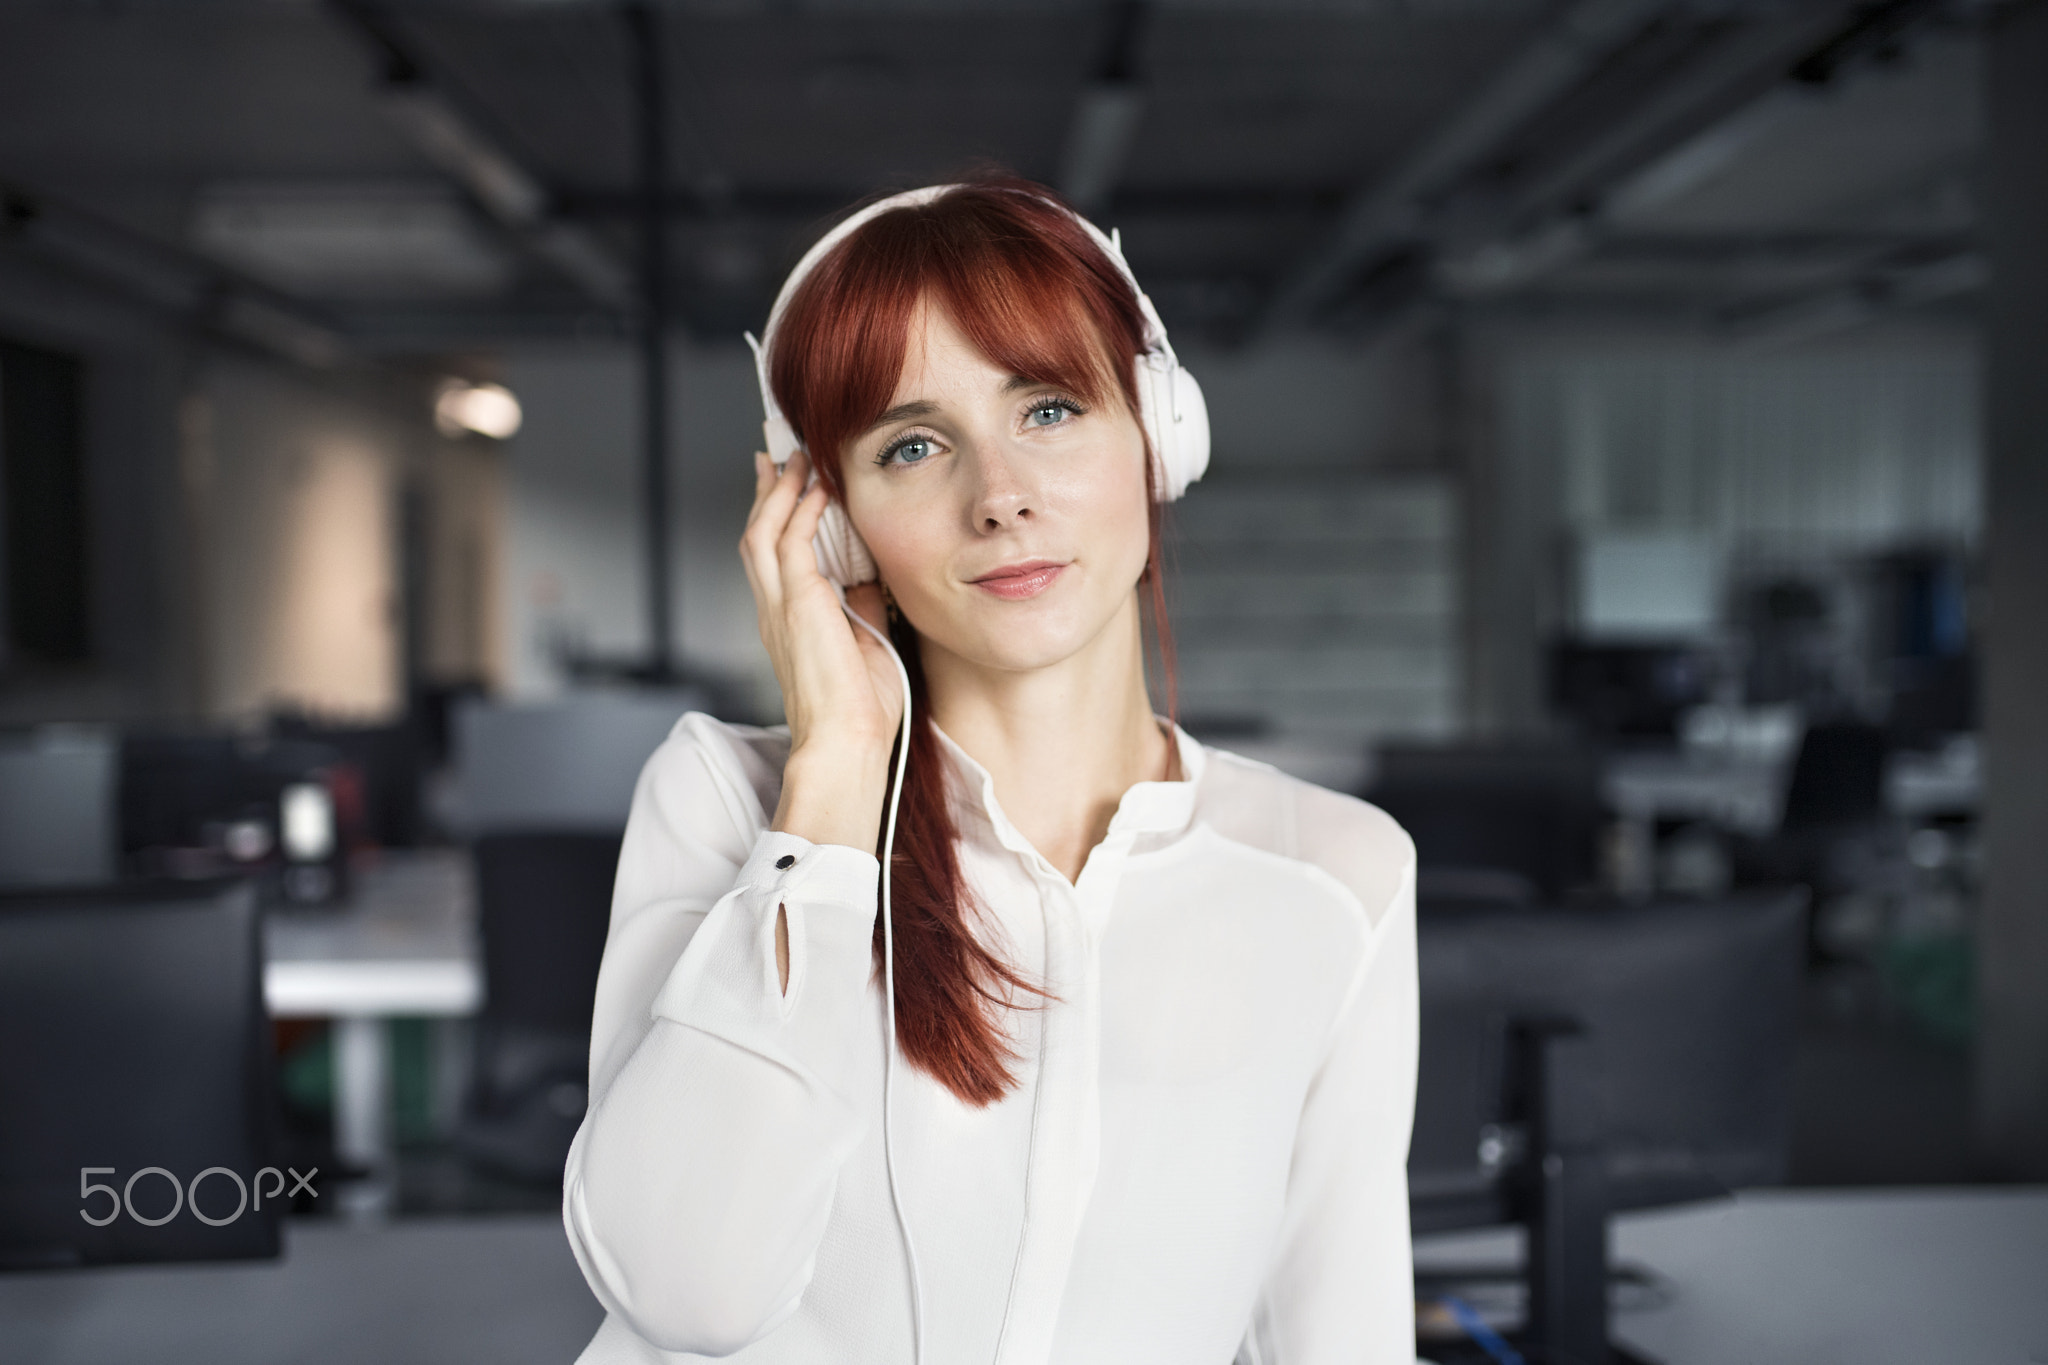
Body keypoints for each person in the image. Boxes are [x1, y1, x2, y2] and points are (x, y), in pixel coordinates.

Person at [562, 176, 1418, 1365]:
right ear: (832, 522)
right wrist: (840, 777)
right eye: (912, 446)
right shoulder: (728, 804)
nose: (1000, 496)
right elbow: (684, 1296)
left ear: (1158, 434)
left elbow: (1339, 1332)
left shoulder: (1335, 874)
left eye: (1050, 410)